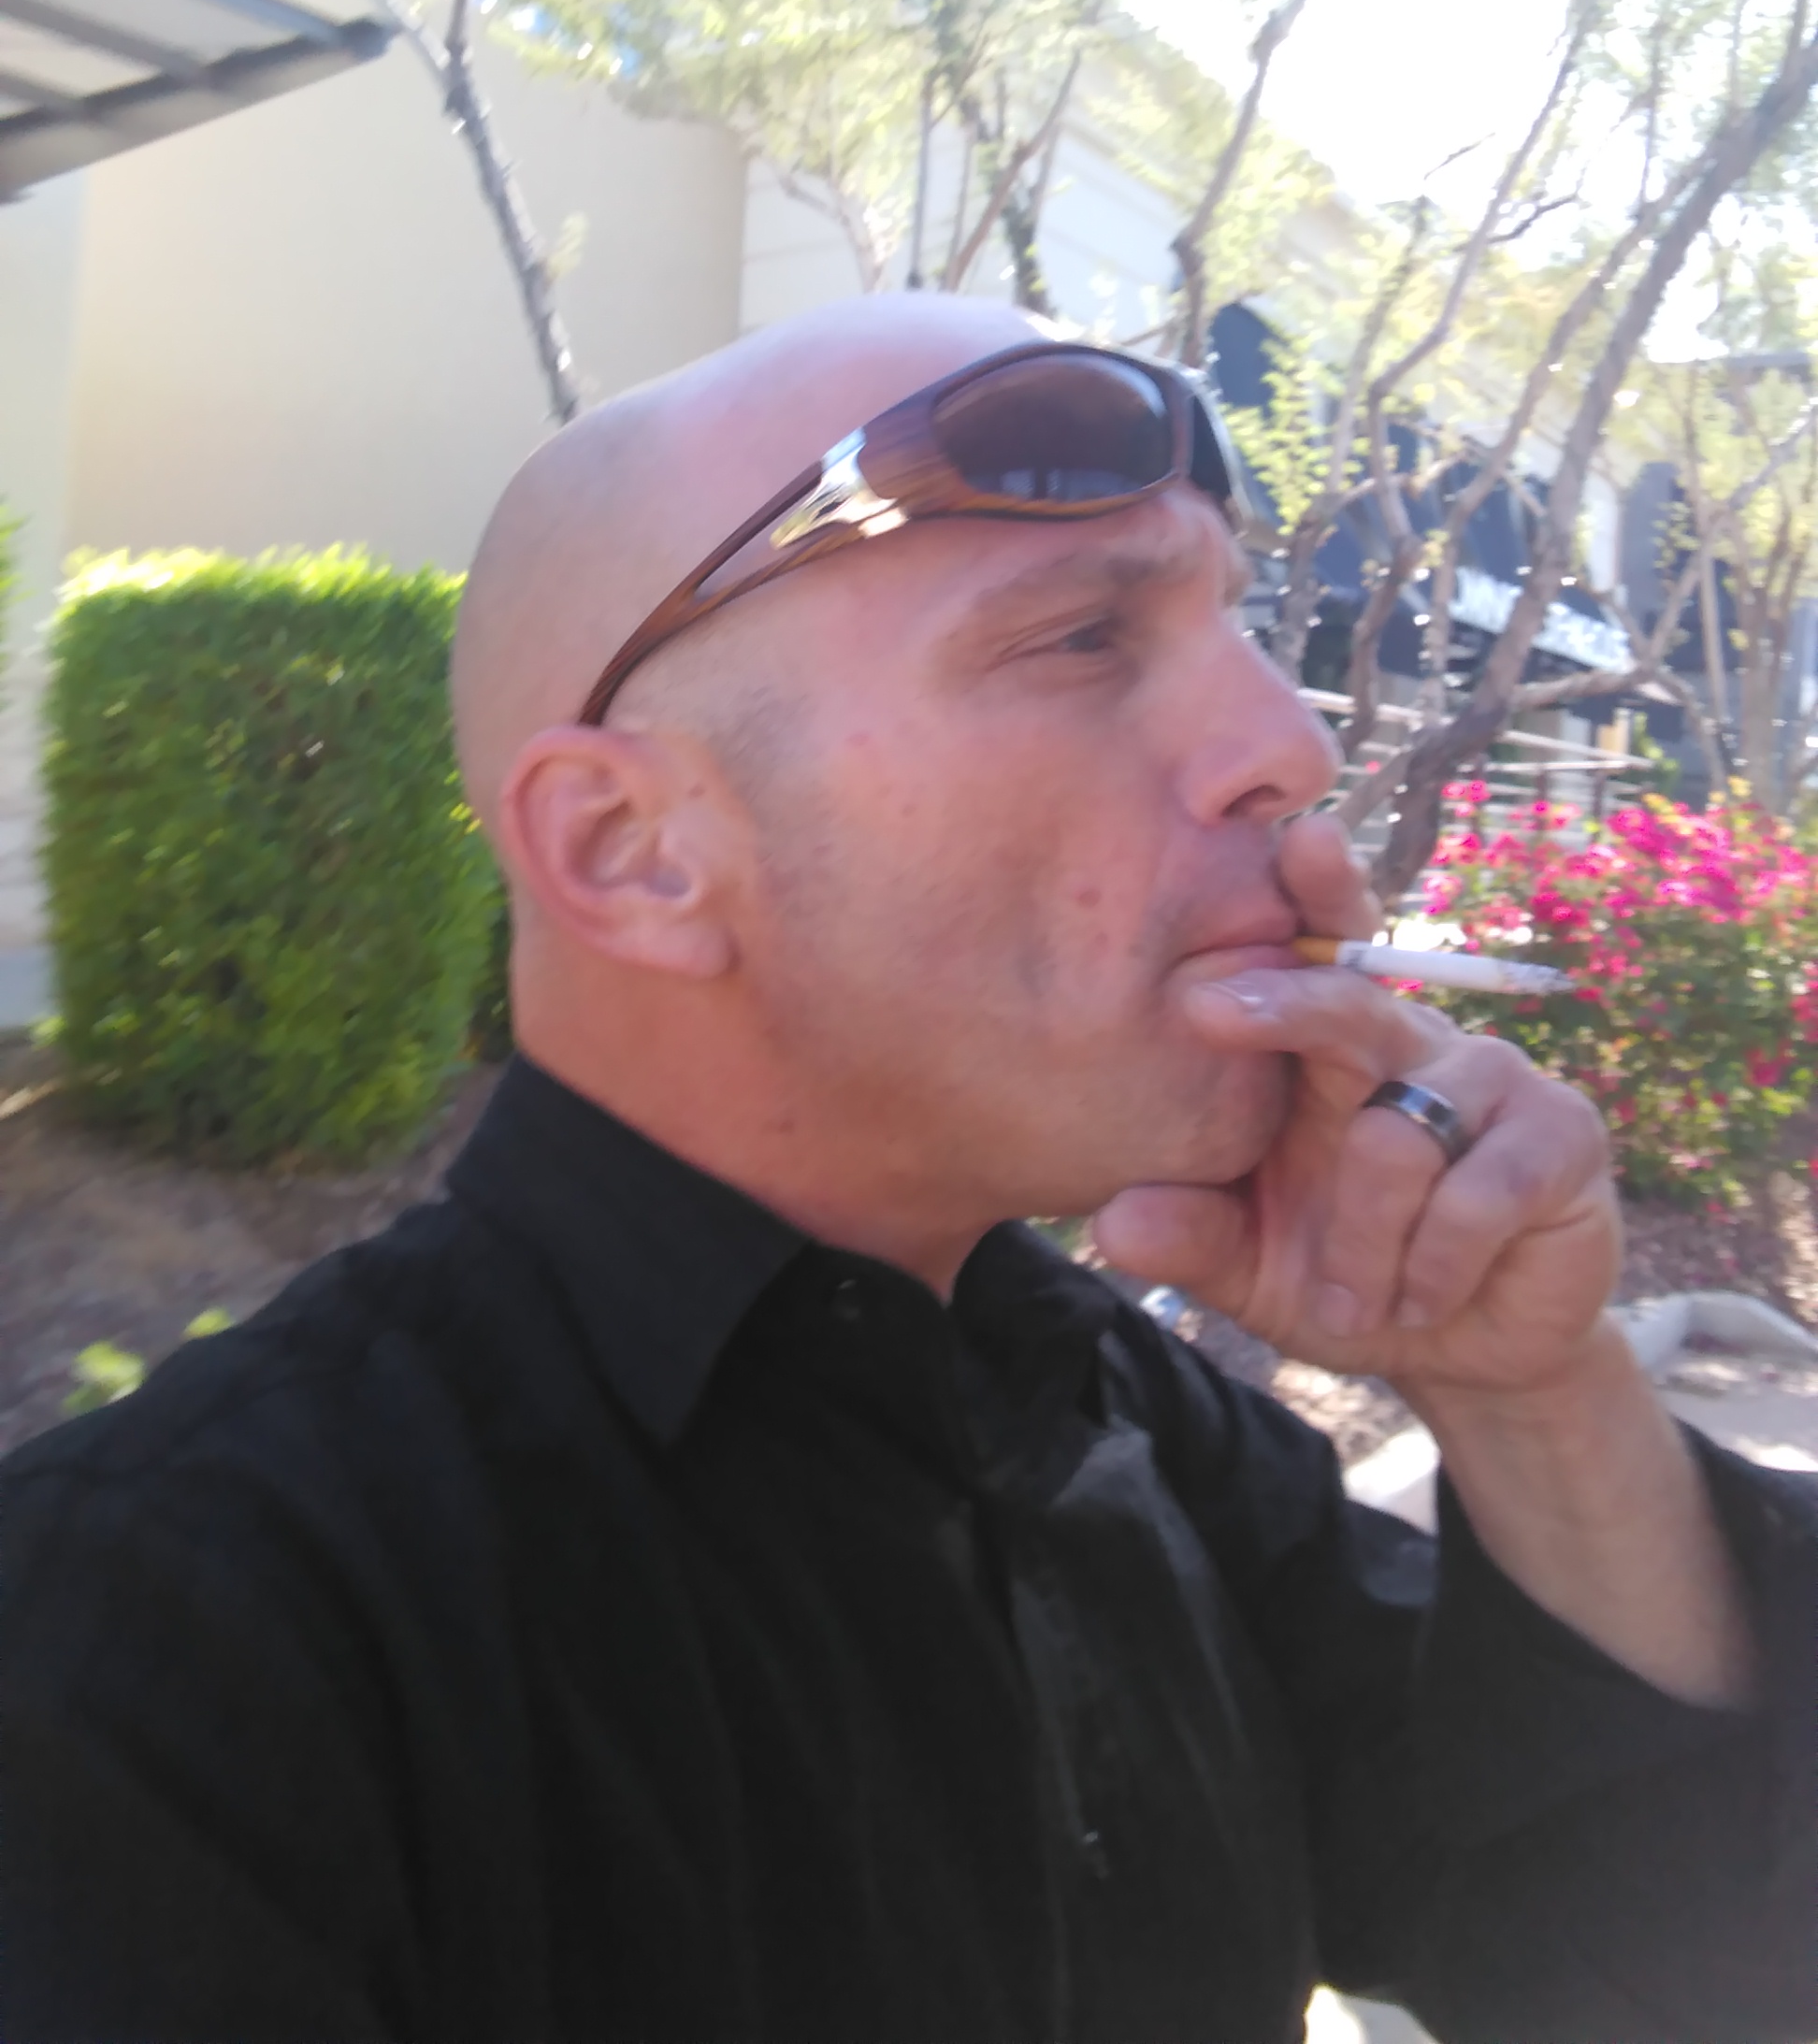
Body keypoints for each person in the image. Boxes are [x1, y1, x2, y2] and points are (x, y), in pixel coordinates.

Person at [0, 294, 1811, 2044]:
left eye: (1239, 630)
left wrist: (1530, 1393)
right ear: (631, 850)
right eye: (1081, 640)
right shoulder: (151, 1650)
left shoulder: (1131, 1429)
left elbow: (1658, 1984)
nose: (1292, 748)